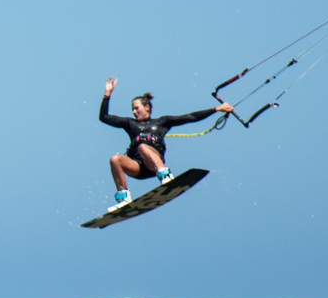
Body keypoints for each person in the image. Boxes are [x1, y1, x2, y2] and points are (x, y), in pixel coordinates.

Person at [99, 77, 233, 211]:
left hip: (154, 165)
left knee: (142, 147)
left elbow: (190, 117)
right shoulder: (130, 123)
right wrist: (107, 94)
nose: (134, 112)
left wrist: (216, 109)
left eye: (136, 108)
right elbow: (104, 117)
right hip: (137, 167)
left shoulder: (162, 122)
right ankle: (124, 199)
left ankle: (165, 176)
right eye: (132, 109)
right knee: (115, 159)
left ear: (147, 107)